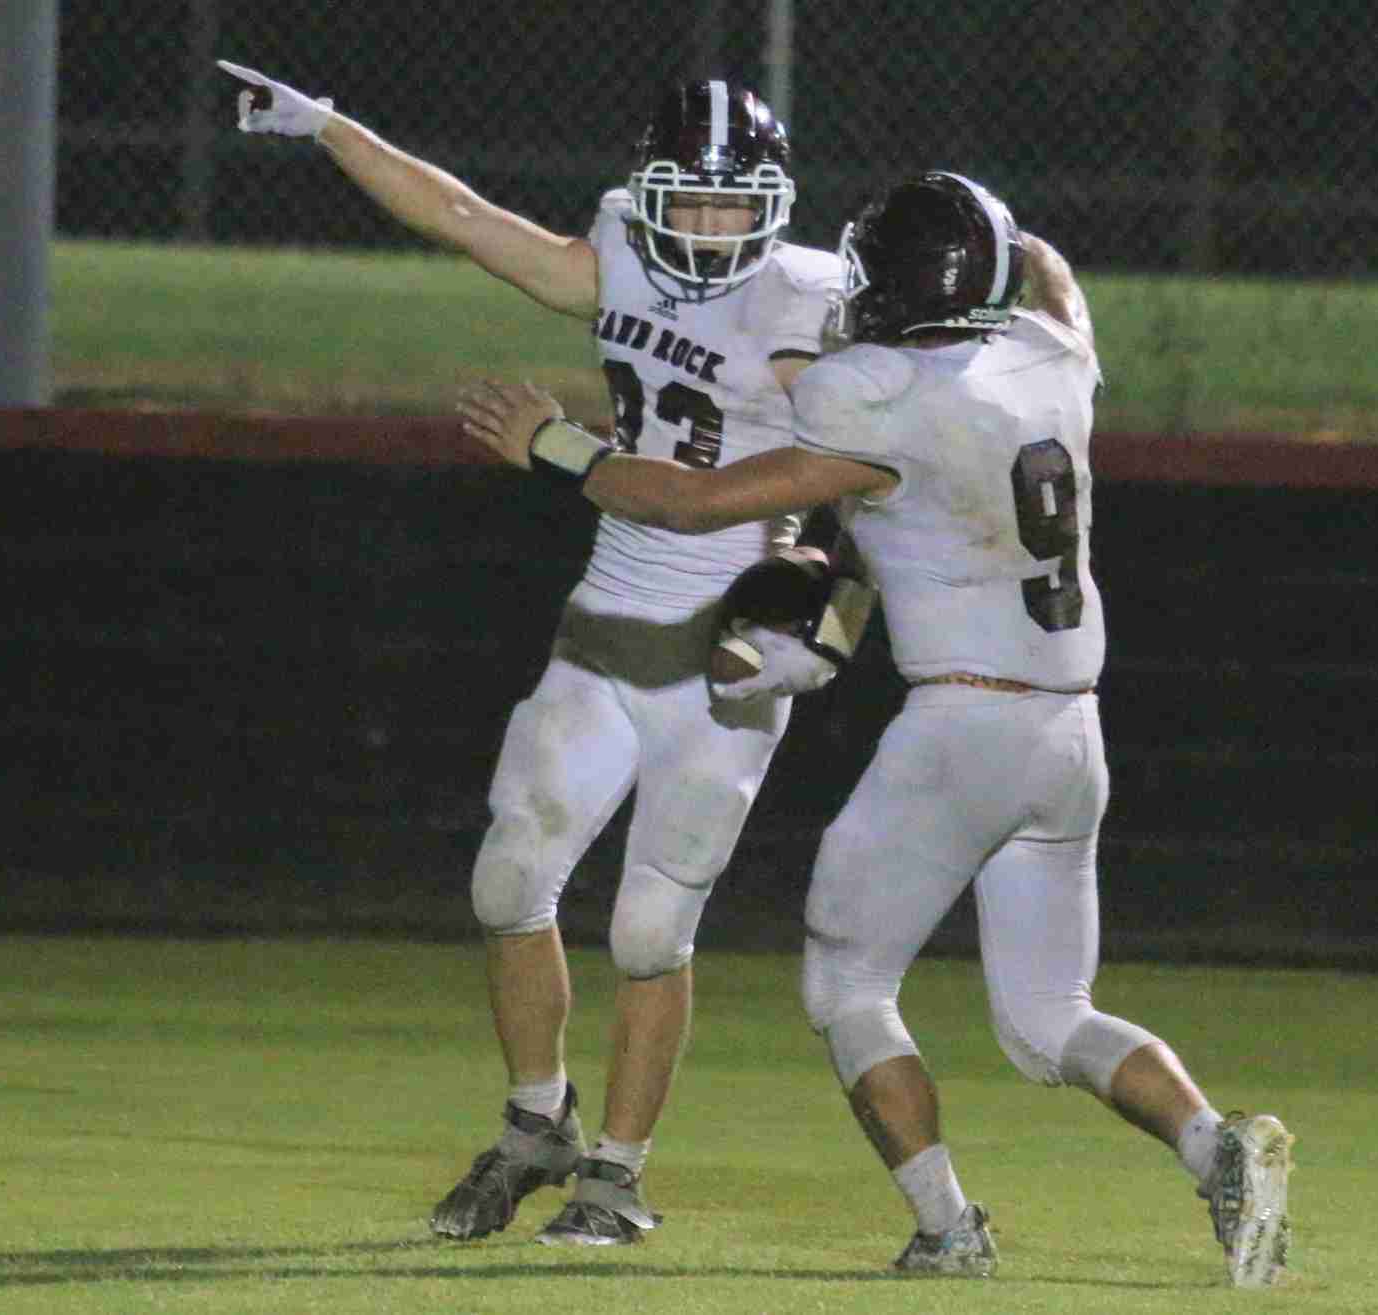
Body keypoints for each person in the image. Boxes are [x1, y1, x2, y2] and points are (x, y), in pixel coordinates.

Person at [459, 171, 1296, 1286]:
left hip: (962, 726)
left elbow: (693, 503)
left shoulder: (872, 392)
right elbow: (1052, 279)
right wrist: (1002, 236)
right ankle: (1215, 1148)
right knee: (1050, 1016)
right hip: (1072, 734)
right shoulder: (1053, 352)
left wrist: (558, 447)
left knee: (846, 989)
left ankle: (948, 1226)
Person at [219, 61, 845, 1246]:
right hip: (606, 617)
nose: (711, 226)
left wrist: (823, 608)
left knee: (652, 931)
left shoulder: (806, 304)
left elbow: (862, 478)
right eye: (691, 199)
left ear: (773, 205)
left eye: (733, 203)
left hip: (726, 656)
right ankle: (537, 1122)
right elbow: (463, 217)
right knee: (507, 882)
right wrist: (329, 126)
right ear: (647, 193)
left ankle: (619, 1172)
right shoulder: (616, 252)